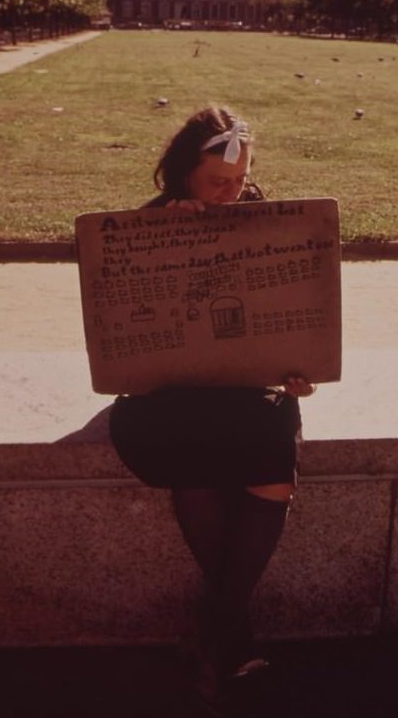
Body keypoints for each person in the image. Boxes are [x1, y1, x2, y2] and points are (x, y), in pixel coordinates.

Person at [109, 105, 317, 705]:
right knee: (187, 447)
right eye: (216, 183)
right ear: (182, 177)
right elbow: (118, 330)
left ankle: (217, 632)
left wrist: (301, 370)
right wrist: (164, 238)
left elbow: (301, 314)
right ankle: (231, 634)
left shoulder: (267, 220)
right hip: (170, 395)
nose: (232, 194)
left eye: (239, 181)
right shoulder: (144, 225)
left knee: (271, 455)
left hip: (252, 391)